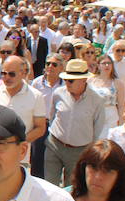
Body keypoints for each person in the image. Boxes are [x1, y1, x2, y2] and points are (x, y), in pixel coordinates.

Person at [45, 59, 105, 187]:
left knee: (71, 188)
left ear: (84, 80)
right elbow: (52, 117)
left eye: (70, 80)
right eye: (66, 79)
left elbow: (98, 128)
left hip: (79, 151)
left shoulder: (97, 101)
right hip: (54, 145)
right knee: (49, 186)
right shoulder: (58, 93)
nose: (67, 83)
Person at [0, 55, 46, 149]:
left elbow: (40, 128)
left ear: (23, 73)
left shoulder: (36, 96)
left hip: (20, 155)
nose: (6, 77)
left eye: (11, 74)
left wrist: (18, 143)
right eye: (3, 73)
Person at [89, 54, 125, 131]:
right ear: (98, 66)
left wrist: (121, 122)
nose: (107, 65)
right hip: (94, 115)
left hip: (111, 115)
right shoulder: (90, 80)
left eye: (109, 63)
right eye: (104, 63)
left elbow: (121, 105)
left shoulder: (118, 83)